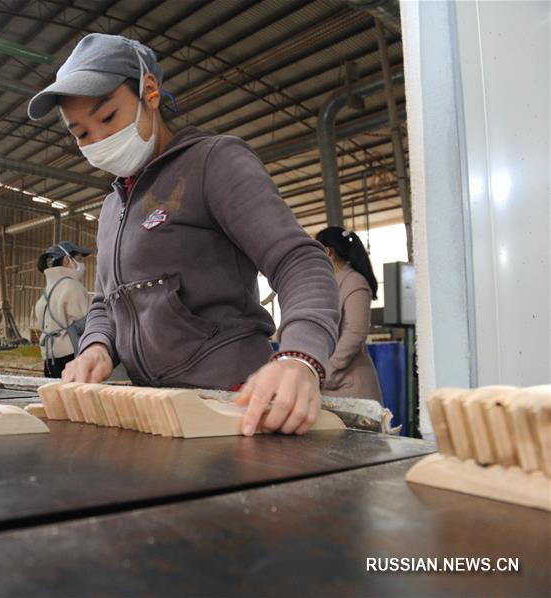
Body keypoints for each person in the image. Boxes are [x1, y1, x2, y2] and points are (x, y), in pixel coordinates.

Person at [27, 34, 340, 436]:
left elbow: (298, 260)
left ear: (149, 92)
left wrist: (300, 358)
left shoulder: (214, 161)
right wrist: (96, 346)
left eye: (107, 118)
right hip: (157, 410)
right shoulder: (112, 208)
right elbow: (107, 300)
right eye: (82, 134)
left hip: (231, 405)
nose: (99, 141)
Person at [315, 227, 383, 403]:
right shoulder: (330, 282)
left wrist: (328, 370)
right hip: (329, 385)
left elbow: (355, 333)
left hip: (349, 386)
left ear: (328, 252)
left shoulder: (354, 282)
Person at [35, 241, 93, 378]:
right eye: (78, 260)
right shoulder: (73, 287)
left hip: (49, 355)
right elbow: (86, 324)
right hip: (70, 355)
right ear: (67, 260)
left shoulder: (47, 291)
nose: (81, 264)